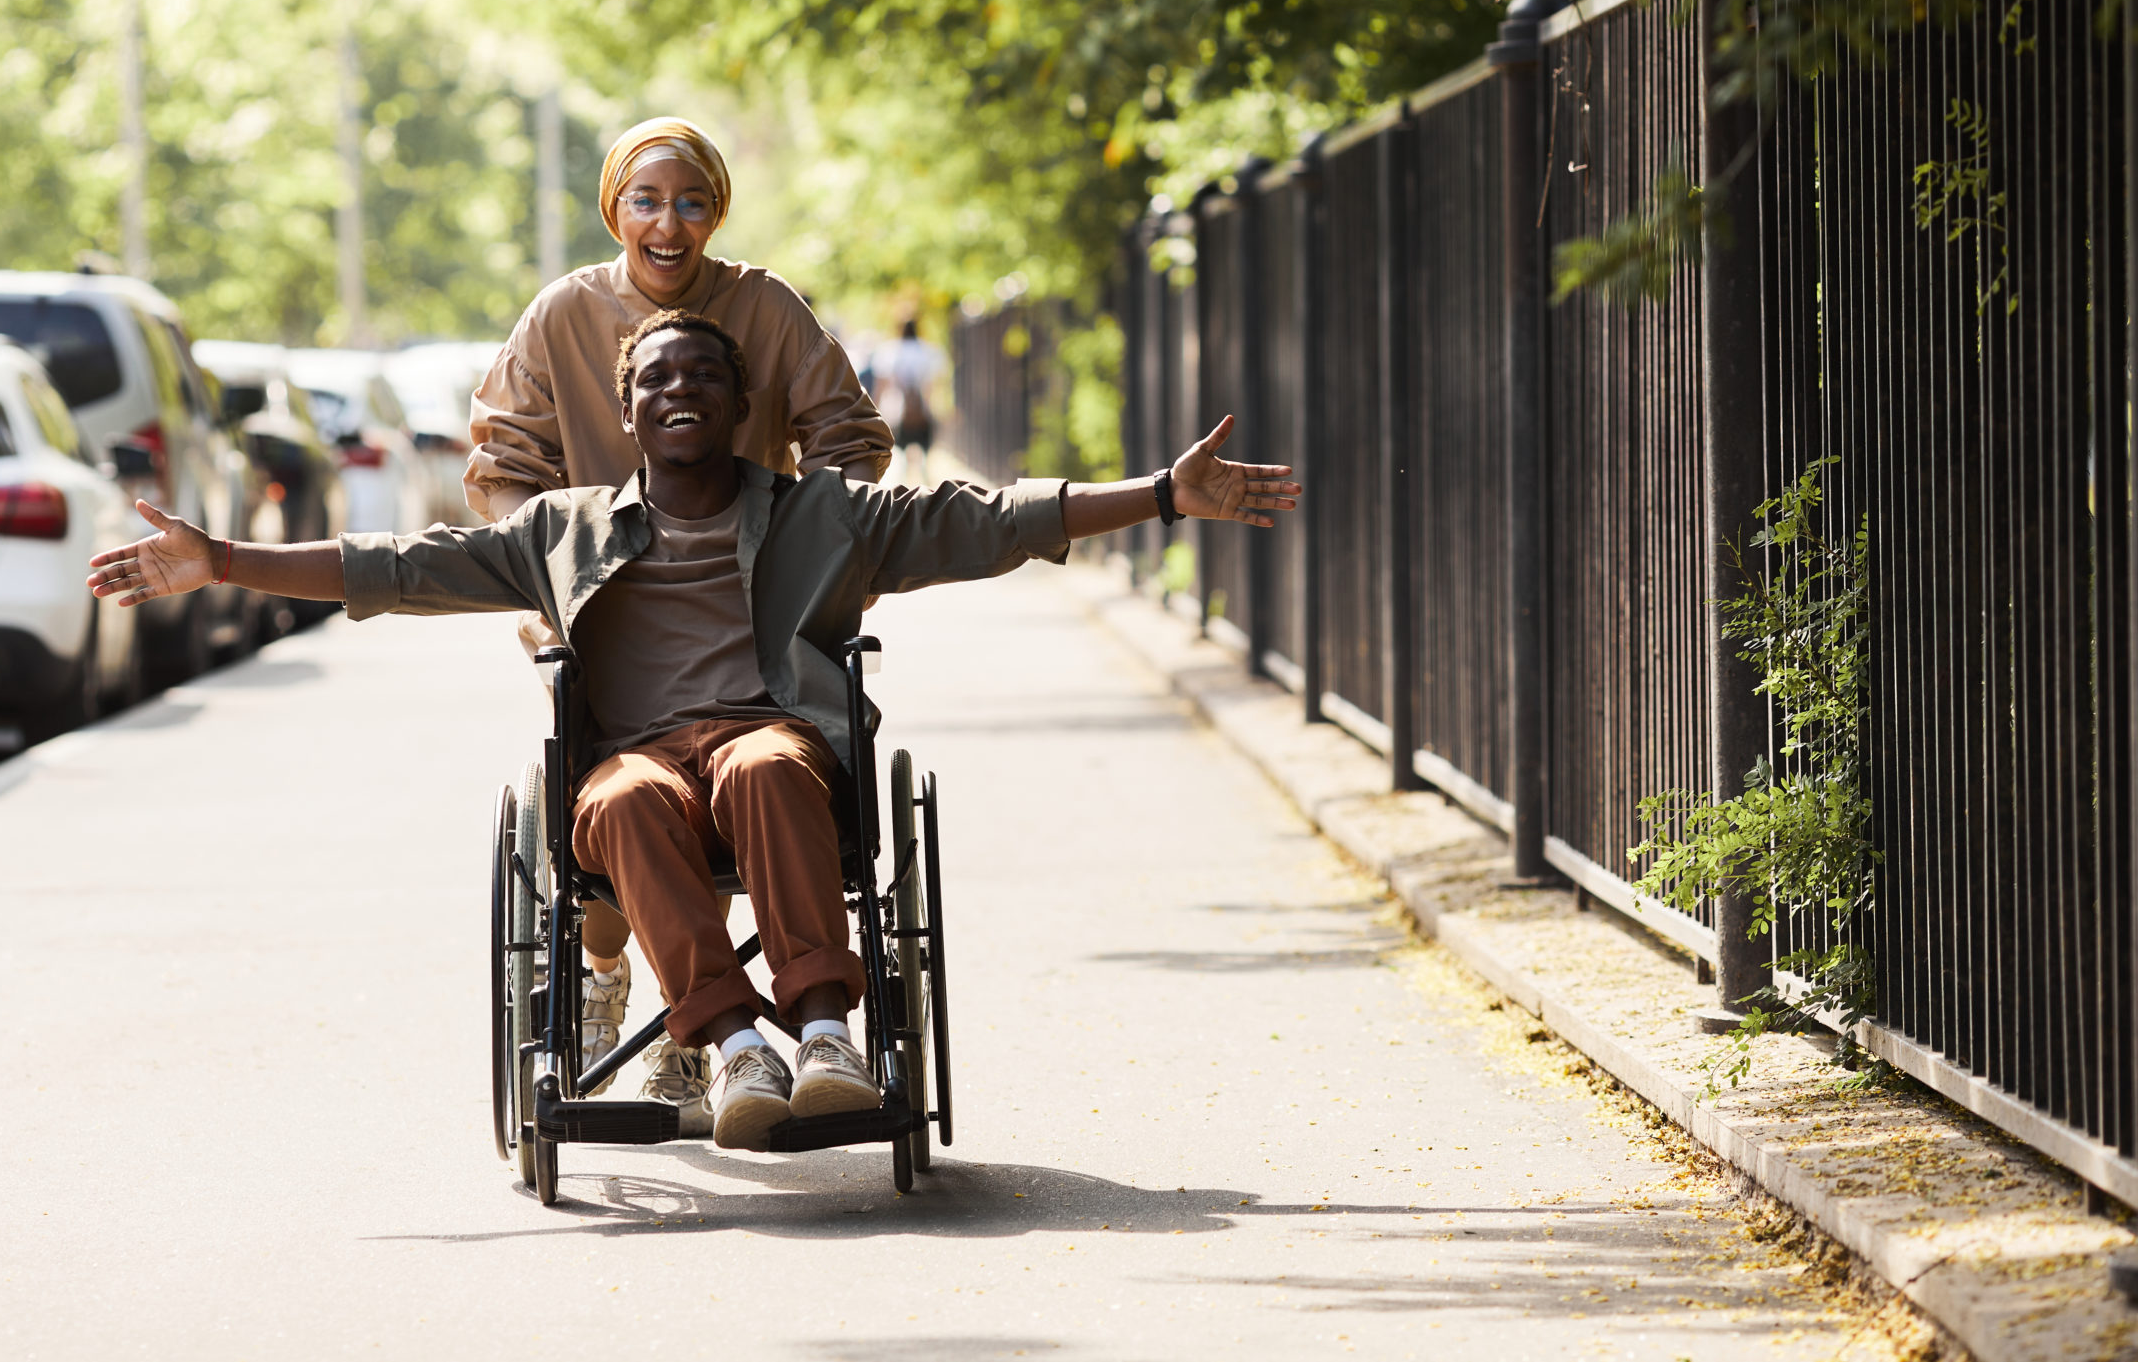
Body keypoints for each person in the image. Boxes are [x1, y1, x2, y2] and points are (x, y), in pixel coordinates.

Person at [87, 310, 1298, 1151]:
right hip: (639, 758)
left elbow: (981, 519)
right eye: (655, 381)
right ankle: (731, 1048)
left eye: (703, 381)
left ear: (740, 408)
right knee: (608, 805)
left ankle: (824, 1030)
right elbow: (400, 564)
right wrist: (224, 561)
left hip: (774, 735)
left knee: (769, 762)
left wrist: (1156, 495)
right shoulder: (560, 527)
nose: (678, 394)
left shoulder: (822, 512)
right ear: (625, 407)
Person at [465, 115, 893, 1129]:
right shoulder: (564, 313)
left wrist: (804, 545)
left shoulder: (763, 308)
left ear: (718, 212)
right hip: (601, 608)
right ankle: (619, 976)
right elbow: (500, 464)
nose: (669, 222)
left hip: (746, 609)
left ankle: (780, 1032)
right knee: (617, 788)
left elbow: (850, 436)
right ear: (615, 207)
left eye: (691, 200)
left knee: (759, 769)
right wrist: (565, 556)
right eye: (647, 200)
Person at [868, 318, 946, 485]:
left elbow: (881, 385)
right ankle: (928, 493)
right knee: (925, 458)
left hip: (896, 412)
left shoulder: (890, 351)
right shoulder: (928, 351)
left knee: (899, 458)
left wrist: (874, 410)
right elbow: (933, 385)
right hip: (923, 411)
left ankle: (902, 495)